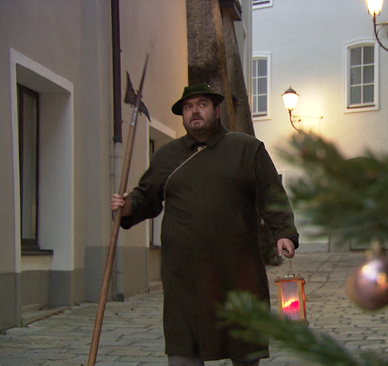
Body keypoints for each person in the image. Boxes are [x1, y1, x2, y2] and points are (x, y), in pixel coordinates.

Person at [111, 83, 299, 366]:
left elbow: (272, 196)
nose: (194, 112)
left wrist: (283, 232)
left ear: (217, 109)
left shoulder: (246, 149)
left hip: (236, 271)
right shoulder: (167, 156)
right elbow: (146, 197)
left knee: (244, 347)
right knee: (183, 351)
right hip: (184, 277)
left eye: (200, 104)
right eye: (188, 107)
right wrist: (128, 207)